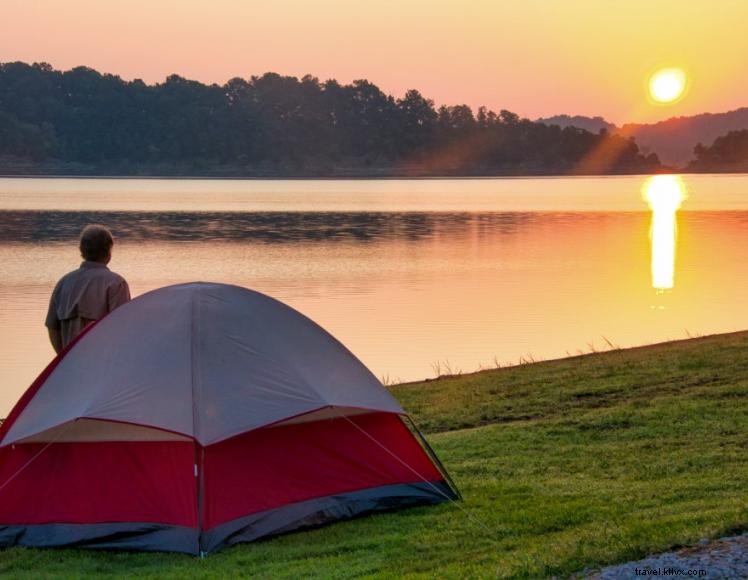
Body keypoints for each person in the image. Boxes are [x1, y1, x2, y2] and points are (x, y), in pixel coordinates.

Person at [45, 224, 131, 353]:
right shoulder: (116, 283)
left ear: (81, 251)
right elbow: (121, 327)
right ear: (109, 252)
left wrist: (62, 358)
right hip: (103, 364)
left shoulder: (64, 283)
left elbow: (52, 327)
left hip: (71, 363)